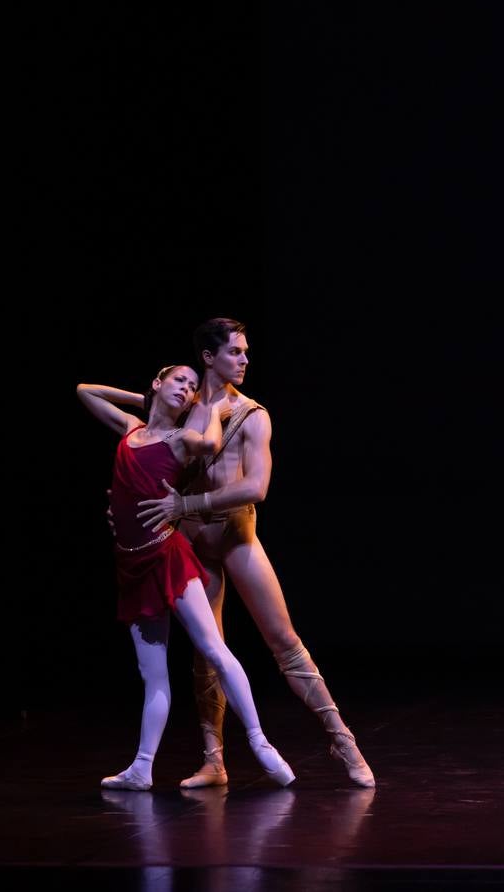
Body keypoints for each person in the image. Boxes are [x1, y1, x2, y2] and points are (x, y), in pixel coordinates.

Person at [134, 319, 377, 788]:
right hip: (190, 539)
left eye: (246, 352)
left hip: (236, 533)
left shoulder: (252, 414)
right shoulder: (181, 408)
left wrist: (189, 503)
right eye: (235, 352)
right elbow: (139, 441)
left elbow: (256, 486)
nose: (245, 360)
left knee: (283, 641)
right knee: (208, 650)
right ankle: (214, 759)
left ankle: (342, 740)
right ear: (208, 357)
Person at [77, 364, 295, 791]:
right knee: (152, 674)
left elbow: (210, 440)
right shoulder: (131, 427)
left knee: (213, 647)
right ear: (158, 381)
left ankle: (260, 743)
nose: (187, 389)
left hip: (167, 557)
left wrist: (207, 406)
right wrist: (144, 398)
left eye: (193, 386)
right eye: (179, 380)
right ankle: (142, 767)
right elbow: (86, 390)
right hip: (132, 565)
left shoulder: (180, 440)